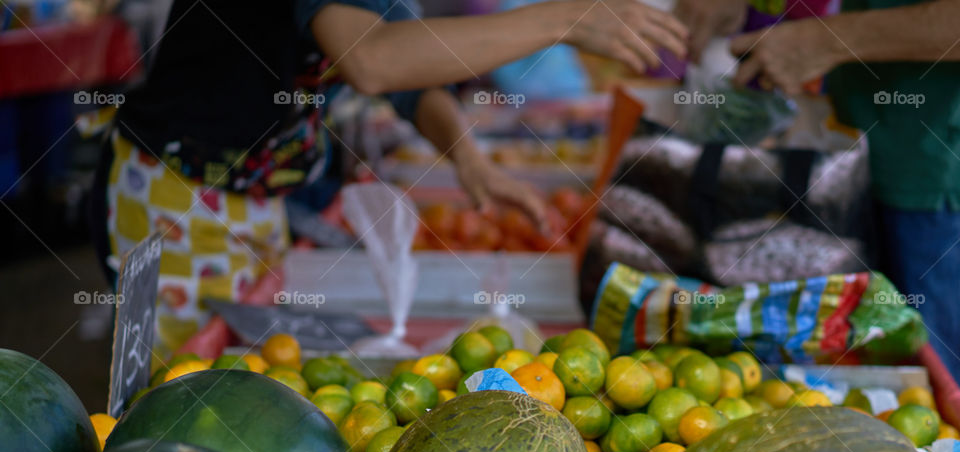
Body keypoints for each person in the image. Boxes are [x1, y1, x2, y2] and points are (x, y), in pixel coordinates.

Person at [97, 0, 687, 358]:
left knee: (239, 364)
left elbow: (411, 67)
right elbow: (374, 61)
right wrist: (564, 19)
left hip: (253, 192)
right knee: (182, 393)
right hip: (175, 192)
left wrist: (469, 159)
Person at [677, 0, 960, 381]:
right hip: (855, 153)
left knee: (936, 395)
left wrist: (826, 40)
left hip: (935, 184)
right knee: (873, 391)